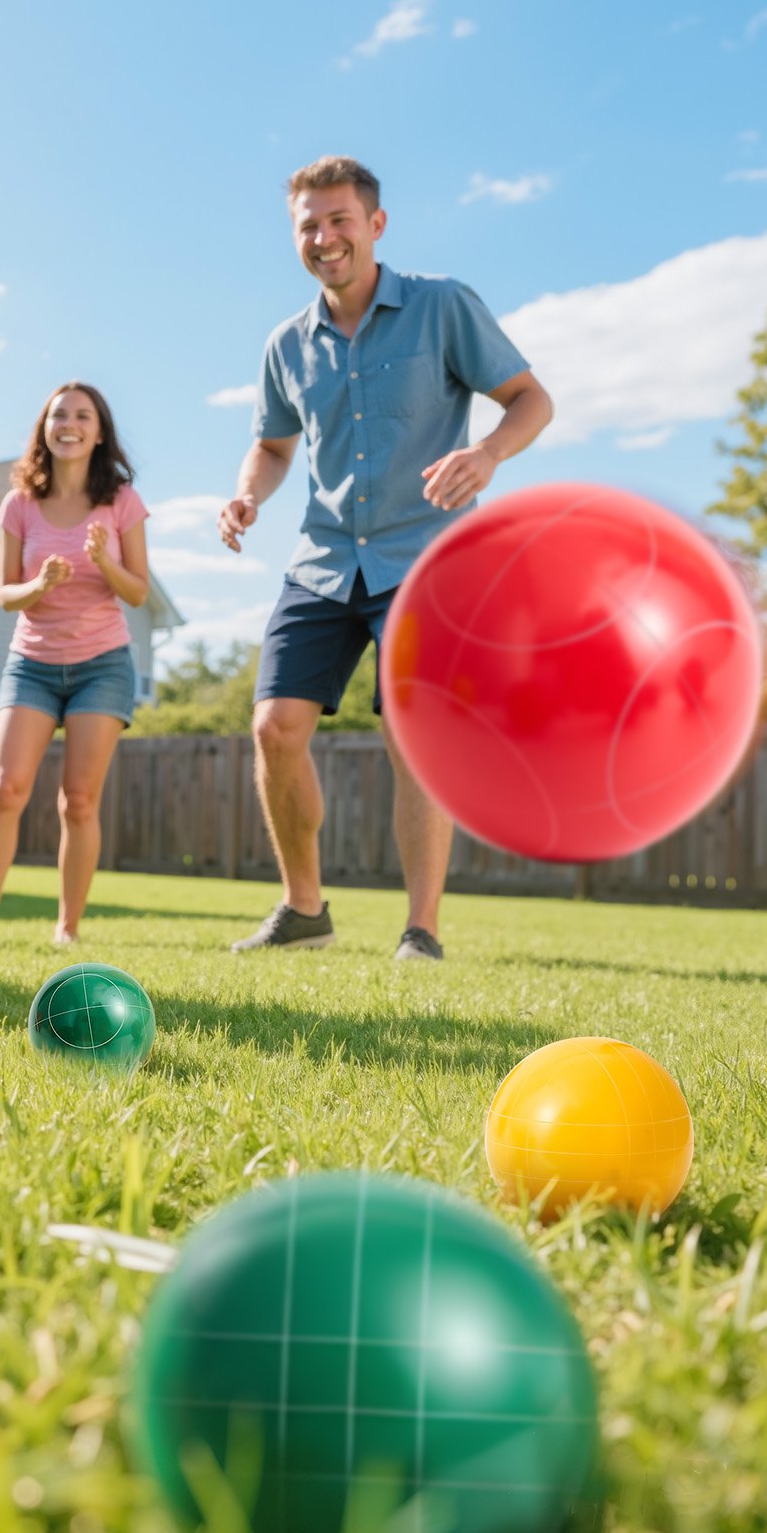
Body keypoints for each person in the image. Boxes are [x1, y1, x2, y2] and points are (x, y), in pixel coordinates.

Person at [219, 155, 552, 961]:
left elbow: (530, 399)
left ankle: (421, 930)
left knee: (414, 736)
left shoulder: (441, 306)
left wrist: (489, 455)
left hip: (426, 558)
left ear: (375, 224)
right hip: (324, 559)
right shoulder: (286, 345)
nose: (325, 238)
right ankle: (305, 912)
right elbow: (271, 444)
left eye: (339, 220)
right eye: (309, 225)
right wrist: (248, 494)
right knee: (274, 727)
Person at [0, 381, 150, 945]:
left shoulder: (121, 501)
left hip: (102, 664)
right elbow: (3, 595)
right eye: (59, 415)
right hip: (32, 663)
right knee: (6, 789)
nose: (70, 423)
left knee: (80, 799)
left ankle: (67, 928)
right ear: (45, 427)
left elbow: (136, 592)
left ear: (99, 431)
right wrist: (39, 582)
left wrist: (100, 563)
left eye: (82, 416)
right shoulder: (19, 503)